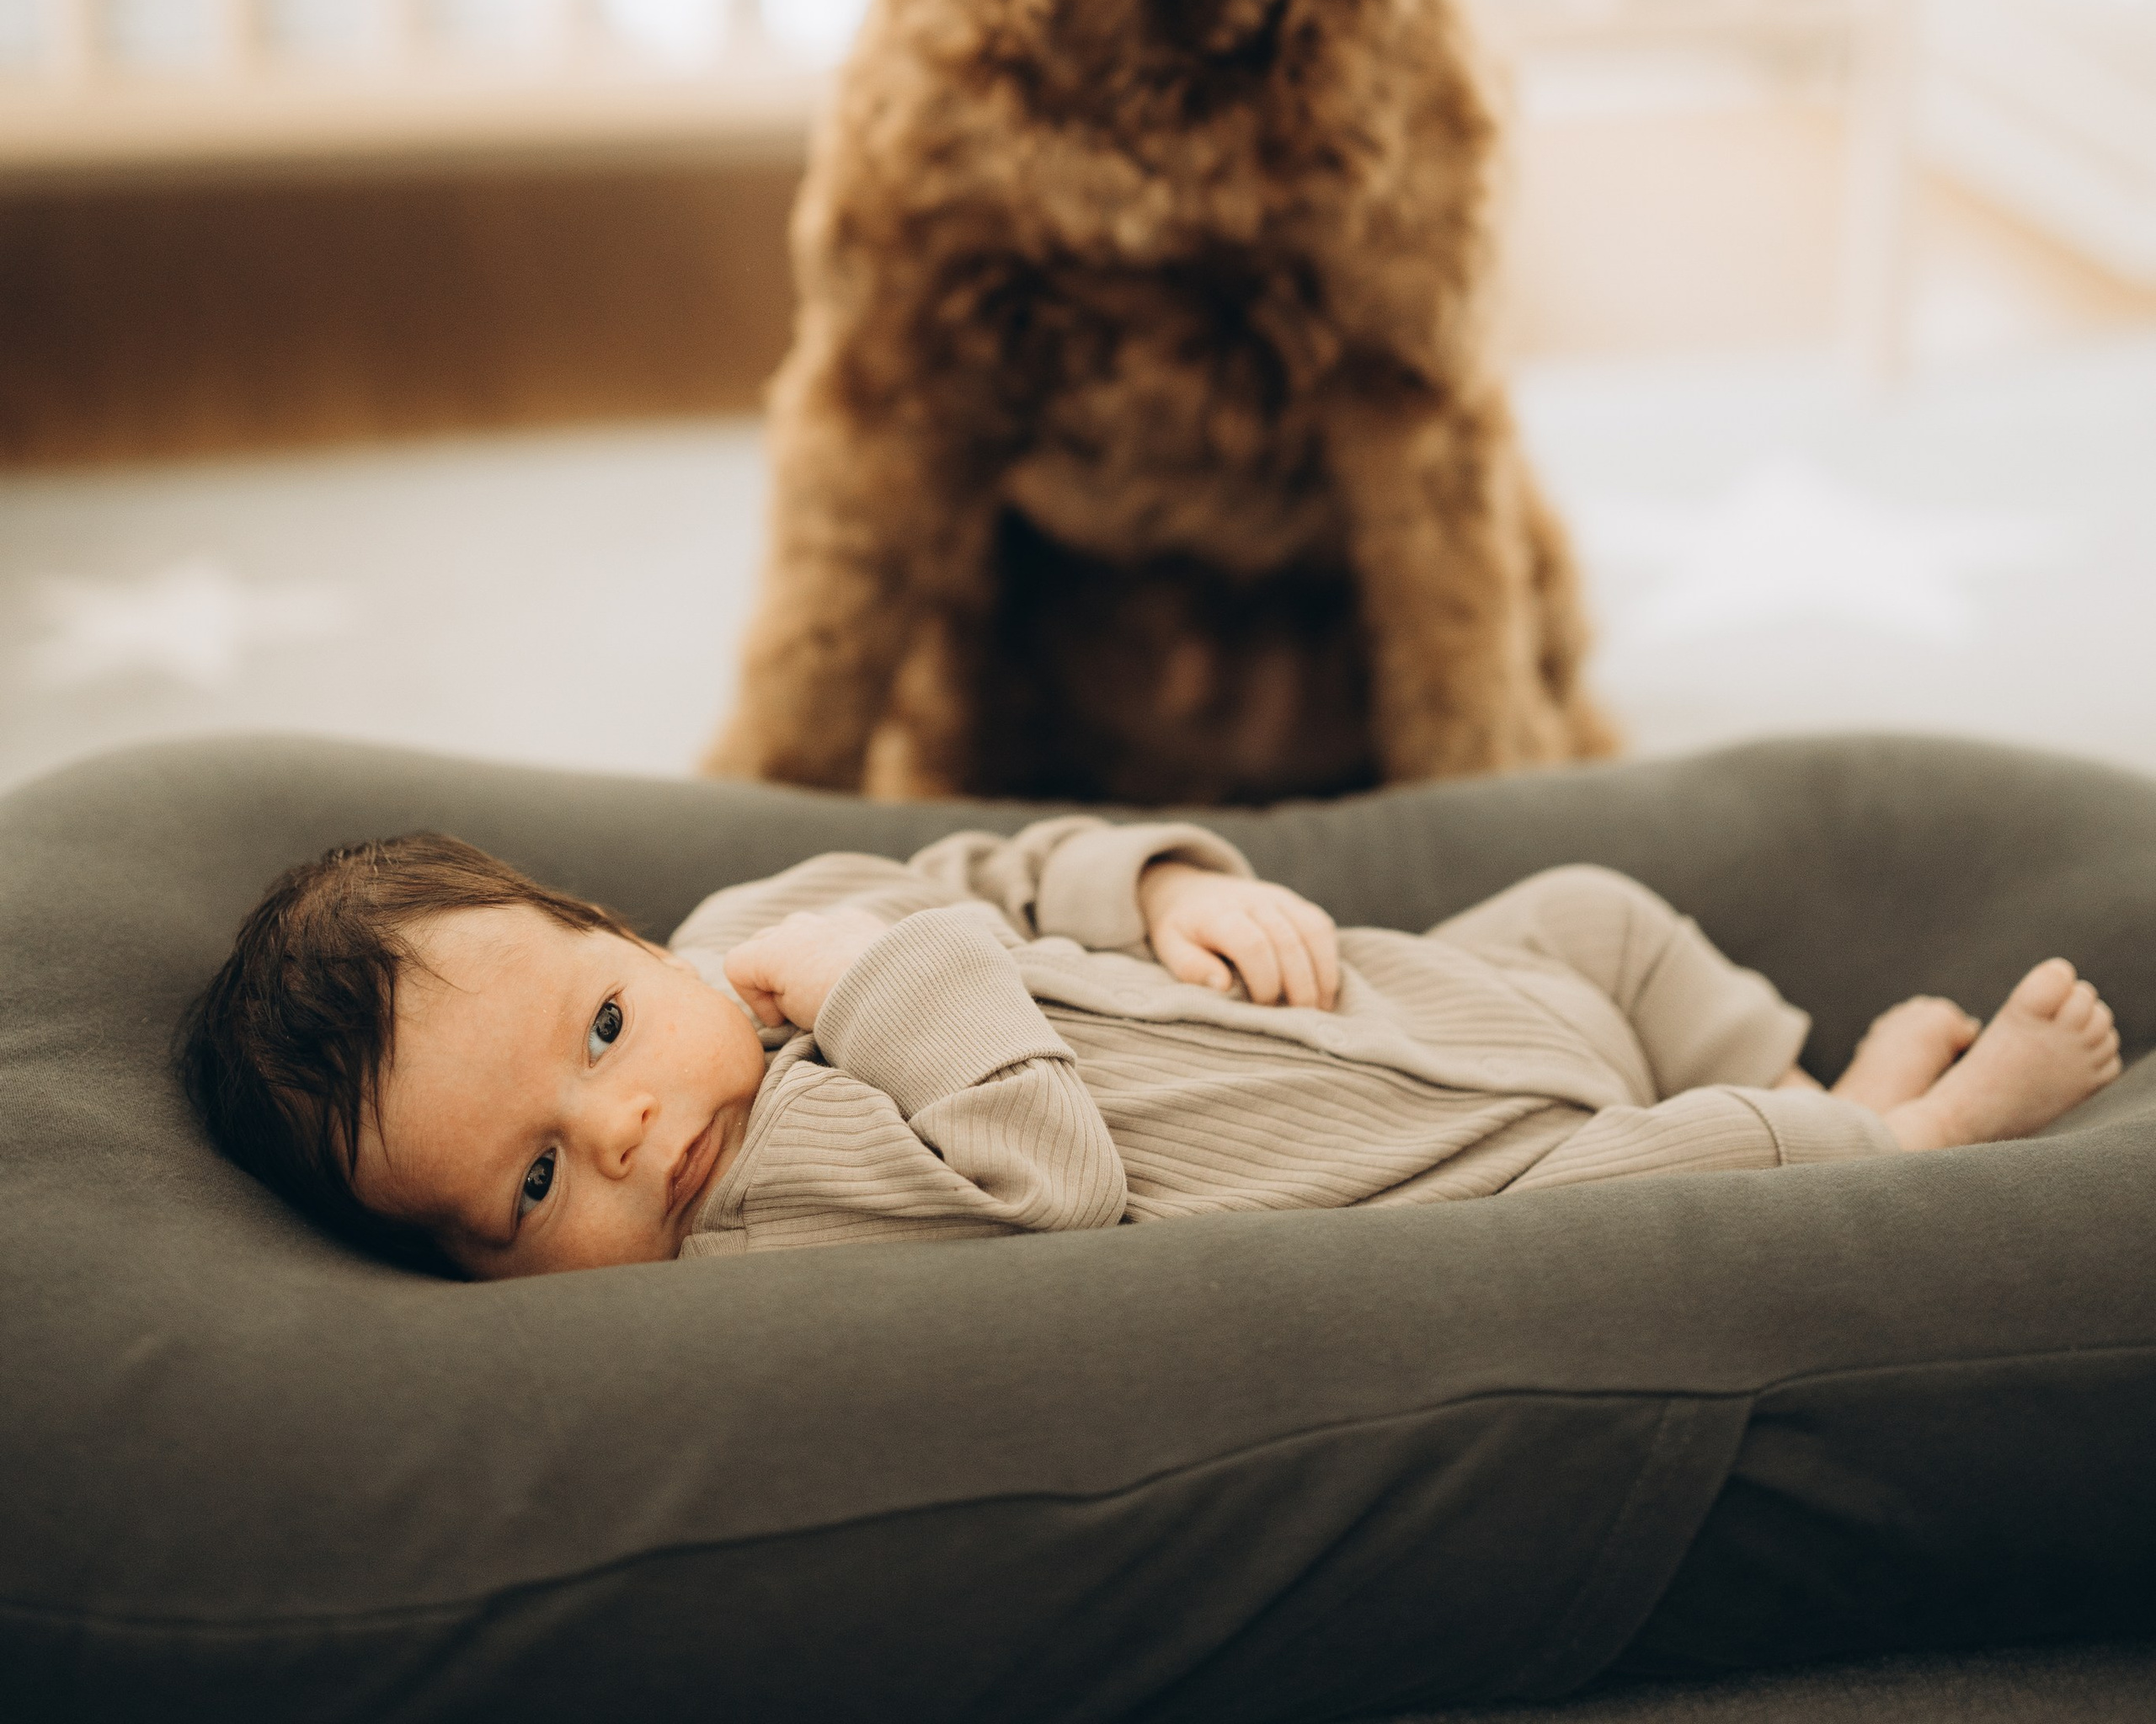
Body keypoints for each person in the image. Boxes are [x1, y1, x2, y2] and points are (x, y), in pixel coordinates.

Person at [179, 814, 2123, 1282]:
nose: (622, 1126)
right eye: (530, 1183)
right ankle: (1897, 1158)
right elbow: (1051, 1187)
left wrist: (1165, 890)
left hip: (1400, 1009)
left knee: (1589, 915)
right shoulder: (768, 1219)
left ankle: (1808, 1085)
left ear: (613, 930)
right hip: (1456, 1184)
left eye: (599, 1026)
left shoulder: (746, 938)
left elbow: (996, 871)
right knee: (1654, 1186)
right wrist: (876, 990)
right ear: (478, 1276)